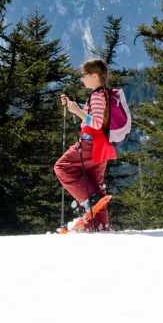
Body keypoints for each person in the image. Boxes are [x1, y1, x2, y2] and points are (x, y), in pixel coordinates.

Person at [56, 58, 117, 230]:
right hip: (101, 147)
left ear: (95, 75)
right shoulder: (102, 94)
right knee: (95, 186)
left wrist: (77, 111)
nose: (82, 79)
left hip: (90, 145)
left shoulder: (97, 96)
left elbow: (96, 123)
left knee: (62, 167)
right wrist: (75, 105)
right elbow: (95, 114)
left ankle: (91, 202)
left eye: (84, 75)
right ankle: (99, 227)